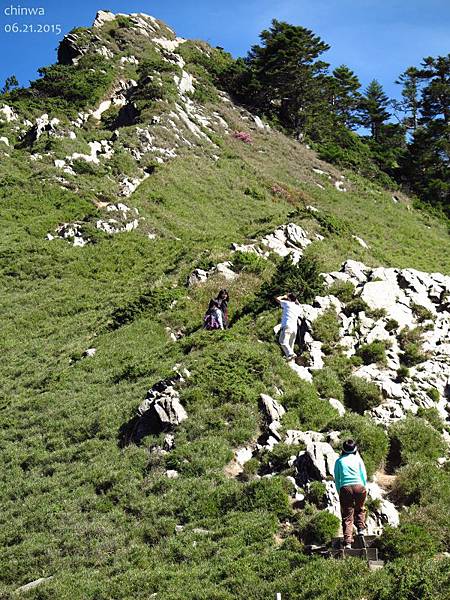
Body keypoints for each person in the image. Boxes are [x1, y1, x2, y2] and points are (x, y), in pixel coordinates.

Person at [334, 439, 367, 549]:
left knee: (347, 515)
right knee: (360, 508)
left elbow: (337, 479)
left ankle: (348, 542)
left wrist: (340, 492)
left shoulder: (339, 461)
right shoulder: (358, 460)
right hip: (359, 487)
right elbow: (364, 476)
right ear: (355, 450)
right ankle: (361, 529)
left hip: (345, 488)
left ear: (343, 450)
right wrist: (363, 488)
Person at [275, 293, 302, 360]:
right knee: (290, 345)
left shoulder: (287, 304)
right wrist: (295, 300)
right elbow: (299, 305)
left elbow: (277, 299)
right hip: (294, 328)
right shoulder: (298, 308)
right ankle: (290, 359)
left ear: (288, 298)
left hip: (287, 326)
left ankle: (291, 354)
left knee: (282, 341)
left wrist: (284, 296)